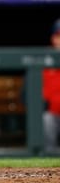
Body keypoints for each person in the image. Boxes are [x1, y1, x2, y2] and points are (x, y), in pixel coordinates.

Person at [43, 18, 60, 153]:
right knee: (46, 119)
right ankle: (48, 157)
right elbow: (28, 93)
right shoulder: (43, 60)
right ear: (54, 38)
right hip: (52, 114)